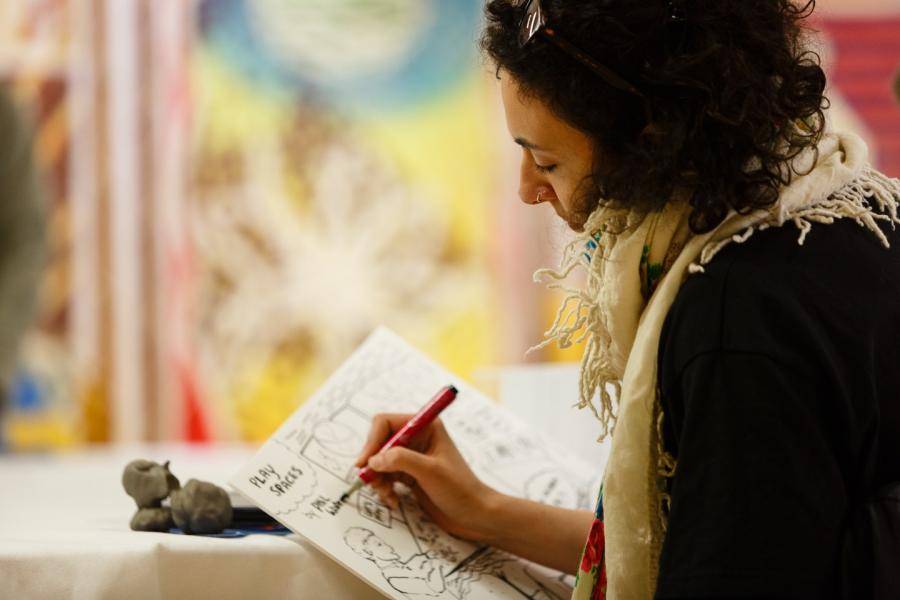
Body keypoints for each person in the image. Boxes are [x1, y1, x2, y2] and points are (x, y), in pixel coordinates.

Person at [355, 1, 900, 598]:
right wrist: (485, 510)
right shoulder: (850, 212)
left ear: (650, 141)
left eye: (546, 160)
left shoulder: (734, 315)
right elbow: (703, 541)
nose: (528, 188)